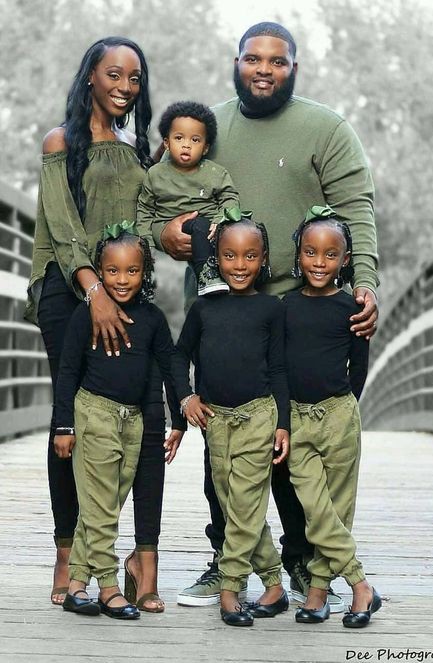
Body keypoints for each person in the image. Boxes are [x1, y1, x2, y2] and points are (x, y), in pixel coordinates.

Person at [150, 22, 379, 611]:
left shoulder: (327, 128)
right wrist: (162, 235)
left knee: (290, 438)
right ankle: (226, 557)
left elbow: (356, 210)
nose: (264, 69)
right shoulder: (207, 125)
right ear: (237, 62)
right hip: (223, 309)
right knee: (224, 440)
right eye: (253, 59)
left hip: (301, 310)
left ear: (293, 69)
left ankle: (305, 563)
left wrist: (367, 286)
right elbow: (158, 197)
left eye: (277, 62)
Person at [25, 36, 177, 611]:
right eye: (114, 74)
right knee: (73, 422)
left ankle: (135, 556)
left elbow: (145, 220)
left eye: (134, 78)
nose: (124, 86)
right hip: (69, 295)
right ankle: (69, 553)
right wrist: (94, 295)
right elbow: (64, 230)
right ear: (90, 75)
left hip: (124, 292)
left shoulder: (139, 153)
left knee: (135, 414)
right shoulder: (61, 142)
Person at [53, 225, 184, 619]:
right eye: (112, 271)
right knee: (100, 508)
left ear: (145, 273)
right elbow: (67, 372)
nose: (122, 279)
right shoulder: (83, 316)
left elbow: (170, 366)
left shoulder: (153, 319)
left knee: (105, 501)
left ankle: (77, 584)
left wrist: (180, 418)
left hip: (134, 422)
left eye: (131, 271)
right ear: (100, 271)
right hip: (94, 414)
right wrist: (64, 426)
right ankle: (109, 587)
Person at [174, 216, 290, 627]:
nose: (239, 264)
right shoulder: (203, 308)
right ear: (218, 259)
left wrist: (283, 423)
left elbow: (278, 369)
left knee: (245, 502)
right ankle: (274, 584)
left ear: (263, 260)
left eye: (250, 256)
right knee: (232, 502)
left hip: (259, 414)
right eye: (230, 255)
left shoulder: (271, 309)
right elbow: (177, 356)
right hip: (216, 420)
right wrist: (186, 397)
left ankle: (229, 586)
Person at [285, 205, 380, 628]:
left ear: (345, 260)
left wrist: (346, 408)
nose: (318, 262)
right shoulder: (284, 307)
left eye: (329, 255)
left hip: (339, 416)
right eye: (310, 252)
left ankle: (319, 591)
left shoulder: (351, 309)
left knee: (337, 509)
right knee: (315, 508)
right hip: (297, 420)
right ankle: (361, 585)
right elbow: (276, 367)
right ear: (299, 254)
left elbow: (358, 368)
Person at [136, 100, 239, 296]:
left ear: (206, 147)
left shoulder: (215, 173)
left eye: (195, 140)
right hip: (171, 225)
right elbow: (145, 210)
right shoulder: (155, 174)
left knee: (201, 225)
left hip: (207, 228)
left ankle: (208, 276)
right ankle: (149, 280)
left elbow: (229, 196)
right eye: (179, 138)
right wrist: (147, 246)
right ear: (166, 143)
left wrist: (220, 220)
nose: (186, 145)